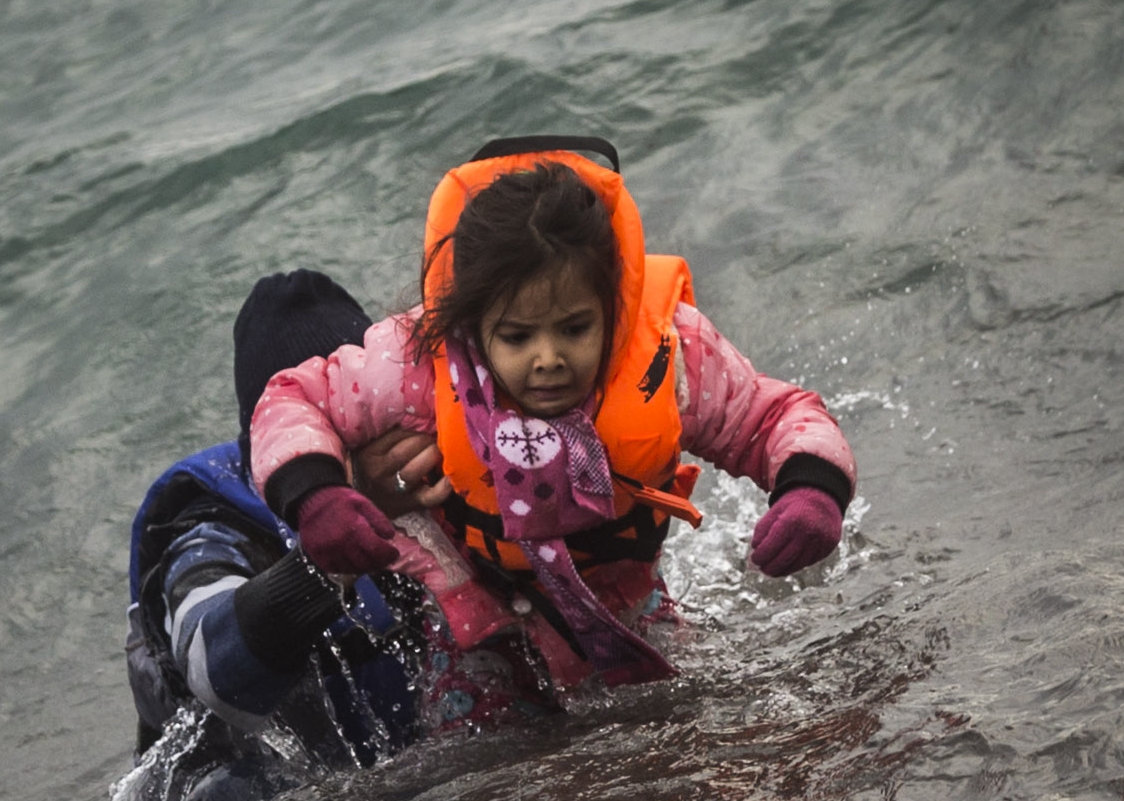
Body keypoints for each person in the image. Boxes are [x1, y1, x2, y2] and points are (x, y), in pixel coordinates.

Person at [247, 136, 856, 714]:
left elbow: (772, 416)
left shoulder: (667, 360)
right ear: (469, 321)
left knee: (689, 732)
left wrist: (812, 491)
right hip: (478, 638)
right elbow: (290, 401)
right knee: (488, 782)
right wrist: (319, 497)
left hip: (629, 612)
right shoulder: (413, 366)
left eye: (574, 328)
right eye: (516, 336)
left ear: (613, 306)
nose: (548, 359)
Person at [119, 269, 452, 801]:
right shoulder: (207, 526)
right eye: (325, 429)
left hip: (399, 793)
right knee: (235, 792)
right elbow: (213, 666)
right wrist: (334, 538)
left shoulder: (421, 463)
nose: (366, 444)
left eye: (363, 416)